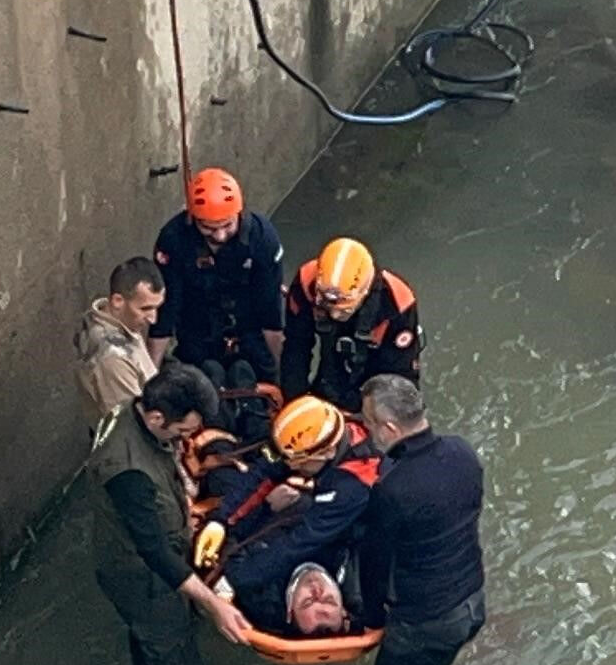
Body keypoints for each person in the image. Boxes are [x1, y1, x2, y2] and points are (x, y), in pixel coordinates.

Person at [93, 364, 254, 665]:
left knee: (149, 642)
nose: (188, 439)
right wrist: (213, 606)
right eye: (182, 432)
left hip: (130, 557)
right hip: (143, 576)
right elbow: (155, 554)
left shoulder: (131, 414)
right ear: (155, 417)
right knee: (180, 663)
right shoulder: (128, 471)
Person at [353, 375, 485, 665]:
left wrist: (371, 617)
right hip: (471, 601)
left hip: (424, 620)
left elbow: (374, 562)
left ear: (390, 428)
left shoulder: (393, 489)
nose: (367, 430)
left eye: (369, 423)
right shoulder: (463, 453)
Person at [222, 396, 380, 634]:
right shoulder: (313, 436)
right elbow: (270, 463)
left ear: (289, 612)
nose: (318, 591)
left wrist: (234, 579)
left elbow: (299, 541)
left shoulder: (350, 488)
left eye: (308, 601)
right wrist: (220, 519)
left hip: (274, 520)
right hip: (306, 509)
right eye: (328, 600)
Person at [151, 168, 285, 430]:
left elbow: (271, 315)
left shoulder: (262, 239)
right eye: (209, 228)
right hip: (198, 331)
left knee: (257, 382)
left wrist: (278, 372)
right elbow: (165, 315)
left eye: (227, 226)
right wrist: (151, 375)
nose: (220, 236)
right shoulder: (174, 240)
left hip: (250, 330)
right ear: (193, 219)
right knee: (203, 385)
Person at [280, 238, 422, 411]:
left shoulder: (397, 303)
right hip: (331, 363)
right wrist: (295, 402)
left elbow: (399, 376)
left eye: (344, 310)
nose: (334, 314)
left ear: (364, 292)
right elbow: (296, 347)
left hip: (378, 366)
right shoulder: (306, 282)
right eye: (327, 306)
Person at [71, 257, 171, 426]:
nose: (153, 319)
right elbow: (134, 423)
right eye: (145, 308)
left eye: (157, 307)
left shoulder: (123, 322)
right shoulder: (113, 358)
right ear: (118, 301)